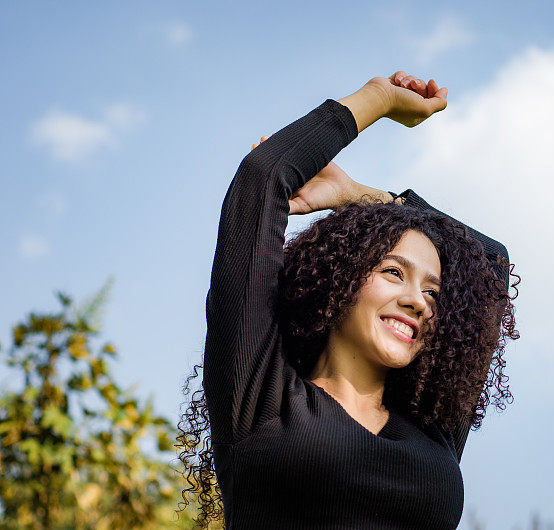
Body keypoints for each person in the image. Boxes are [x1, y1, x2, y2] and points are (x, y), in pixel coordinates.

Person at [177, 71, 520, 529]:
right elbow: (263, 177)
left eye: (432, 291)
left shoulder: (430, 428)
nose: (418, 302)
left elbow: (489, 266)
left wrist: (359, 198)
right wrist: (377, 98)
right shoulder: (262, 395)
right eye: (394, 273)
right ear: (340, 280)